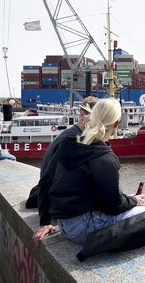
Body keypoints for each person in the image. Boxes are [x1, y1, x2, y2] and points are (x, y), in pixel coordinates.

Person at [47, 98, 145, 245]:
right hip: (83, 229)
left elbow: (85, 189)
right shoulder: (104, 158)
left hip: (65, 225)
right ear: (117, 124)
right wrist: (134, 201)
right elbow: (113, 207)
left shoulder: (70, 144)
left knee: (126, 201)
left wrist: (125, 198)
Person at [31, 96, 98, 246]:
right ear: (82, 115)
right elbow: (46, 181)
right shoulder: (73, 140)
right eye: (96, 119)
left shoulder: (71, 133)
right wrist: (45, 222)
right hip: (57, 206)